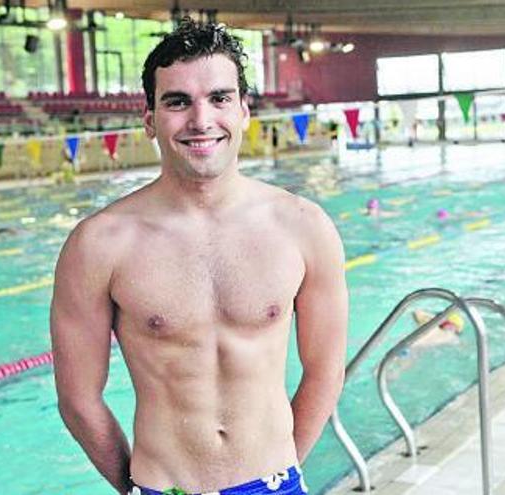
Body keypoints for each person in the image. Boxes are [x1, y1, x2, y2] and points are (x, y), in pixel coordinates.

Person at [50, 19, 348, 495]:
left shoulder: (303, 227)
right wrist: (132, 488)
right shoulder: (98, 244)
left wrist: (283, 472)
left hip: (275, 483)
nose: (201, 120)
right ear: (150, 119)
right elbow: (77, 399)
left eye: (220, 98)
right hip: (162, 487)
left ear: (245, 111)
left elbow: (326, 371)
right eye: (177, 101)